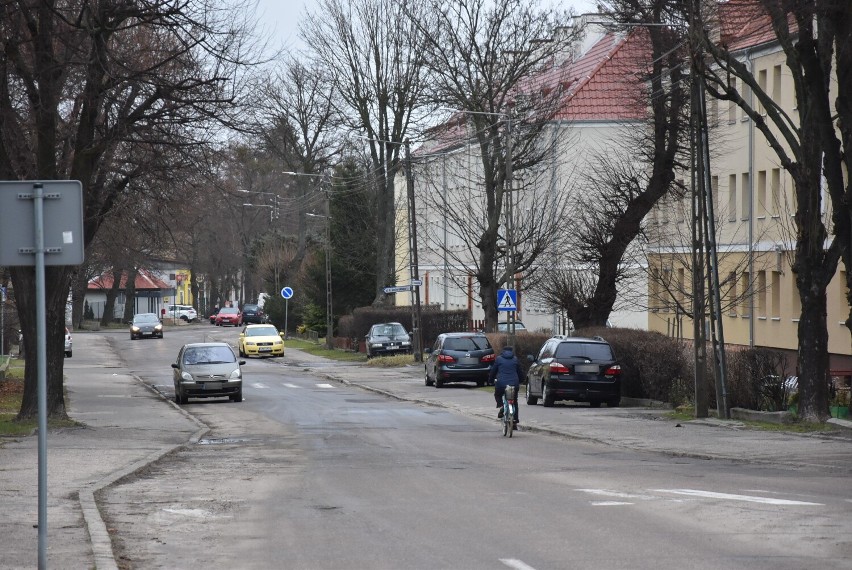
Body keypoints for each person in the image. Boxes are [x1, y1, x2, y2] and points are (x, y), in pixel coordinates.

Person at [488, 345, 524, 426]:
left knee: (497, 394)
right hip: (514, 384)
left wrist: (490, 381)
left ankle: (501, 406)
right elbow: (520, 372)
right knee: (514, 401)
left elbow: (493, 371)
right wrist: (521, 380)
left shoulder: (499, 359)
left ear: (502, 351)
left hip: (501, 384)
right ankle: (515, 420)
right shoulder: (515, 359)